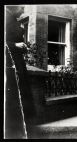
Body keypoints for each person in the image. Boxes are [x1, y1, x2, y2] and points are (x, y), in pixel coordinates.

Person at [5, 6, 35, 138]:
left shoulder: (15, 21)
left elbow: (18, 41)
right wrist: (15, 45)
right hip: (9, 62)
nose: (23, 11)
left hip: (18, 61)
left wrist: (23, 47)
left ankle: (21, 127)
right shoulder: (6, 17)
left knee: (21, 91)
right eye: (21, 7)